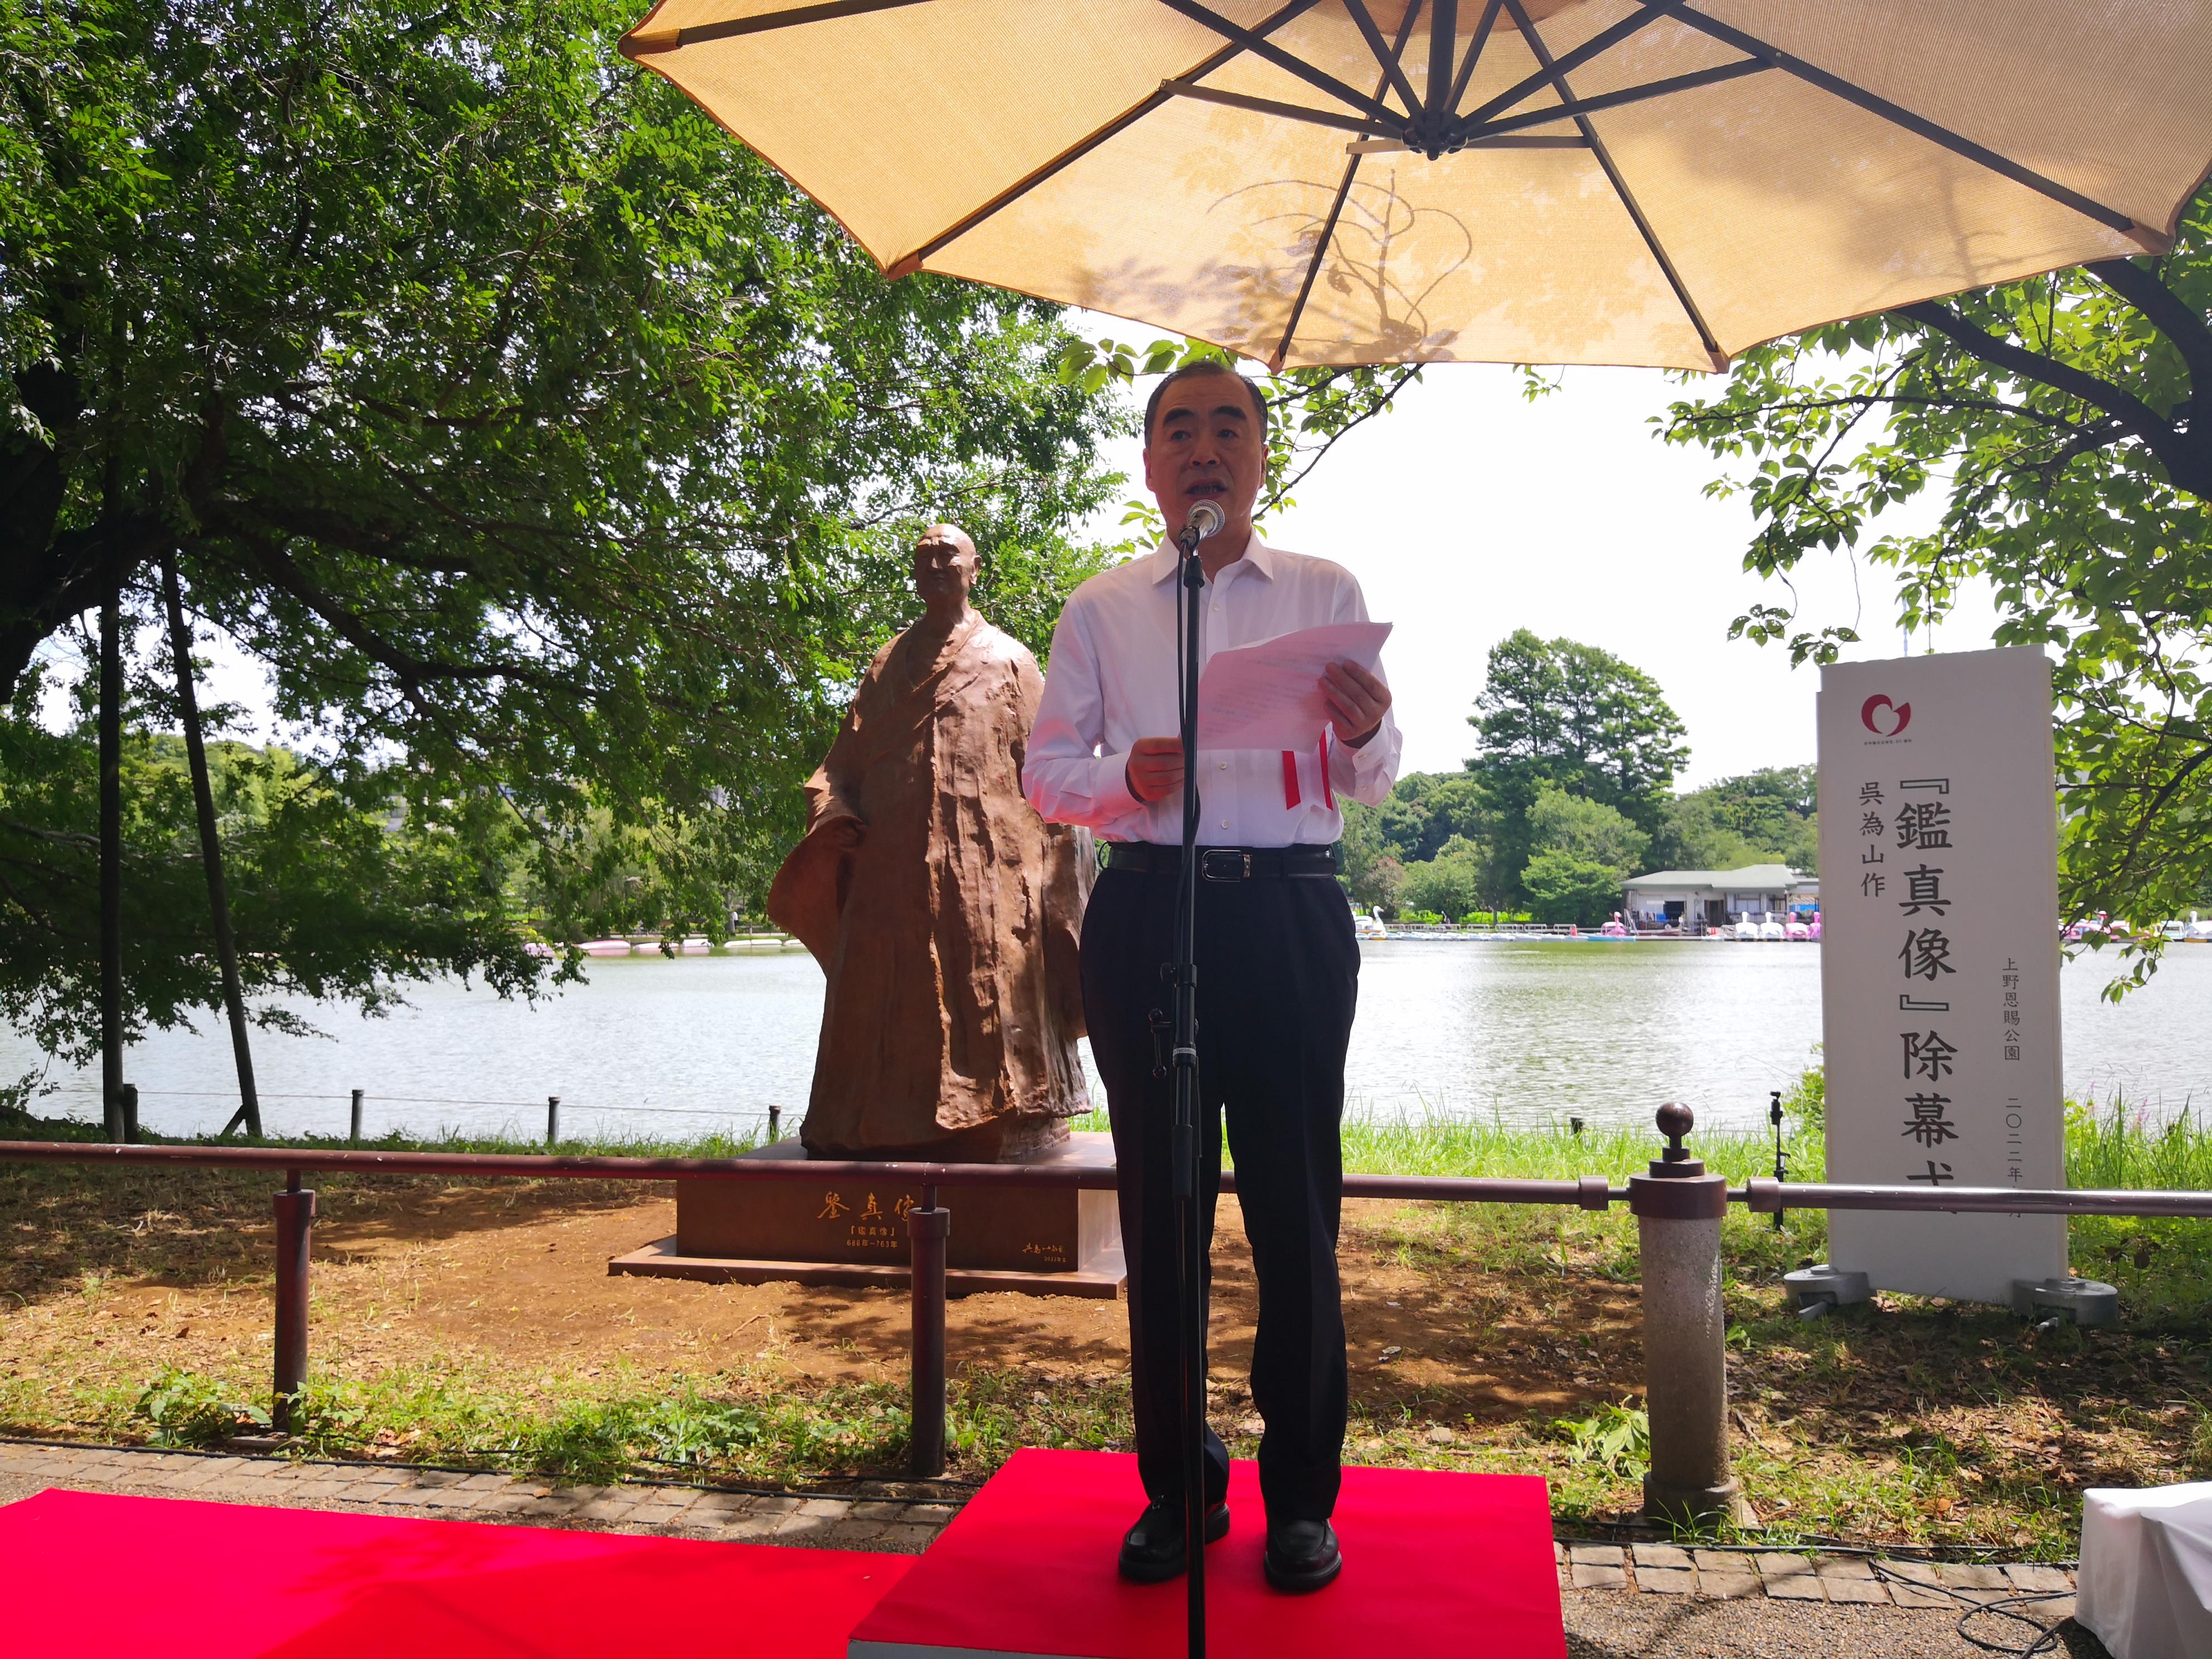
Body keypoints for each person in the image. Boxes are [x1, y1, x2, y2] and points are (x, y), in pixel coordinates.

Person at [1023, 360, 1399, 1594]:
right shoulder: (1102, 607)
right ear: (1148, 463)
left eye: (1227, 426)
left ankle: (1301, 1499)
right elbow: (1044, 772)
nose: (1202, 446)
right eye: (1177, 428)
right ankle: (1178, 1489)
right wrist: (1119, 781)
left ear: (1259, 457)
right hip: (1148, 909)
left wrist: (1363, 729)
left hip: (1288, 910)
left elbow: (1374, 777)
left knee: (1295, 1207)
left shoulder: (1324, 591)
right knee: (1162, 1207)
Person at [769, 524, 1092, 1158]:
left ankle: (1012, 1120)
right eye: (925, 557)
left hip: (989, 880)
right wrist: (833, 815)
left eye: (949, 555)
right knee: (886, 1008)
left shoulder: (1011, 662)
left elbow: (1054, 777)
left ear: (976, 569)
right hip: (891, 879)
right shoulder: (886, 666)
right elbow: (838, 768)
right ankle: (867, 1127)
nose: (937, 565)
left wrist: (1062, 894)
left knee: (990, 1001)